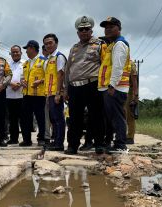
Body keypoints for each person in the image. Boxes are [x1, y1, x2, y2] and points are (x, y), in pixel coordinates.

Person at [64, 16, 106, 155]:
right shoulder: (74, 48)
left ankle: (99, 144)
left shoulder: (100, 44)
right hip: (75, 87)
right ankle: (72, 146)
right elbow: (68, 69)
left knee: (96, 116)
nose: (84, 31)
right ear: (77, 32)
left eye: (87, 29)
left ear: (91, 30)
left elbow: (105, 66)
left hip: (93, 85)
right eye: (81, 29)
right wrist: (65, 89)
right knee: (75, 119)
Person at [98, 17, 131, 153]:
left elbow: (118, 67)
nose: (108, 29)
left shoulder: (119, 44)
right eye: (106, 27)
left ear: (119, 28)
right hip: (112, 87)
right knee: (113, 117)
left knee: (117, 117)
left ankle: (121, 144)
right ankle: (117, 142)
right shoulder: (112, 45)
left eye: (111, 27)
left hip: (116, 87)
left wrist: (111, 85)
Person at [20, 40, 46, 147]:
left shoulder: (43, 61)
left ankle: (41, 138)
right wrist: (22, 82)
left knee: (40, 117)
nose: (26, 51)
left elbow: (48, 76)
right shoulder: (26, 63)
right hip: (26, 94)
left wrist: (39, 81)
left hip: (39, 95)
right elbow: (22, 77)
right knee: (25, 118)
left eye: (27, 49)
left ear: (33, 48)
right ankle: (27, 140)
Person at [43, 33, 67, 151]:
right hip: (50, 93)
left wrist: (58, 93)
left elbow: (60, 74)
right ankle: (55, 141)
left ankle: (59, 143)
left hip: (56, 93)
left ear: (56, 43)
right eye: (46, 44)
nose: (48, 45)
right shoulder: (48, 59)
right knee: (53, 119)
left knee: (58, 118)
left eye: (50, 43)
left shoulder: (59, 56)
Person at [6, 45, 23, 144]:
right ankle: (13, 139)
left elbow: (28, 77)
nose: (15, 54)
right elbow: (4, 77)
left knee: (23, 119)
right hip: (10, 95)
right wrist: (11, 84)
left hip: (22, 95)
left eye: (17, 52)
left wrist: (19, 84)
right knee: (12, 119)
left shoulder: (25, 64)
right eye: (13, 52)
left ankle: (26, 139)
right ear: (11, 54)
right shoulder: (7, 65)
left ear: (21, 53)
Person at [125, 60, 138, 144]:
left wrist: (135, 96)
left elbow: (134, 80)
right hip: (121, 90)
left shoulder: (131, 63)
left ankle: (130, 137)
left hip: (129, 91)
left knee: (130, 116)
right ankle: (124, 136)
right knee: (123, 115)